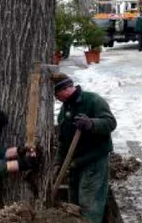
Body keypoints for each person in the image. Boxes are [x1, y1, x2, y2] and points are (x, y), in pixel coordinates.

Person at [52, 73, 117, 223]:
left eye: (56, 94)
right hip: (75, 163)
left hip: (93, 160)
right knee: (74, 203)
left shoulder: (93, 101)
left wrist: (91, 124)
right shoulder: (64, 111)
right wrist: (58, 163)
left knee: (89, 203)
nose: (56, 98)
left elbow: (110, 123)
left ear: (66, 89)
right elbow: (63, 141)